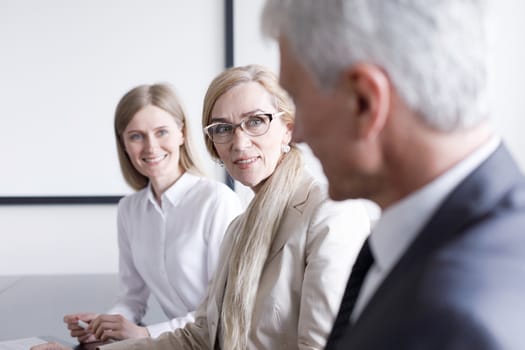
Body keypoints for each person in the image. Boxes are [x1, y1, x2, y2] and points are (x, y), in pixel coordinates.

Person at [31, 65, 370, 350]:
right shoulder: (240, 229)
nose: (239, 142)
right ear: (213, 144)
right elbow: (200, 336)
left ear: (288, 129)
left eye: (256, 121)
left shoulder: (330, 212)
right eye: (223, 129)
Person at [261, 0, 525, 349]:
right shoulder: (489, 232)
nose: (297, 134)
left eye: (296, 98)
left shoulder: (452, 321)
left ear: (364, 102)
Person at [63, 83, 242, 343]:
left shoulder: (216, 200)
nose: (150, 147)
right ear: (123, 144)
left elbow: (224, 310)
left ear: (181, 133)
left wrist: (146, 334)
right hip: (176, 344)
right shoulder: (129, 210)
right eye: (136, 136)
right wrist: (105, 324)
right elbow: (131, 298)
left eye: (161, 132)